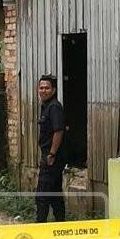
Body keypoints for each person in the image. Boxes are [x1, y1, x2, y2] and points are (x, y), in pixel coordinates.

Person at [35, 74, 67, 222]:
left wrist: (52, 154)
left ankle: (40, 228)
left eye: (47, 88)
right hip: (50, 155)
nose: (43, 90)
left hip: (52, 157)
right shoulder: (46, 106)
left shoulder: (54, 107)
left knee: (42, 195)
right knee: (54, 194)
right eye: (41, 88)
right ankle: (60, 225)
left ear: (53, 90)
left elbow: (59, 131)